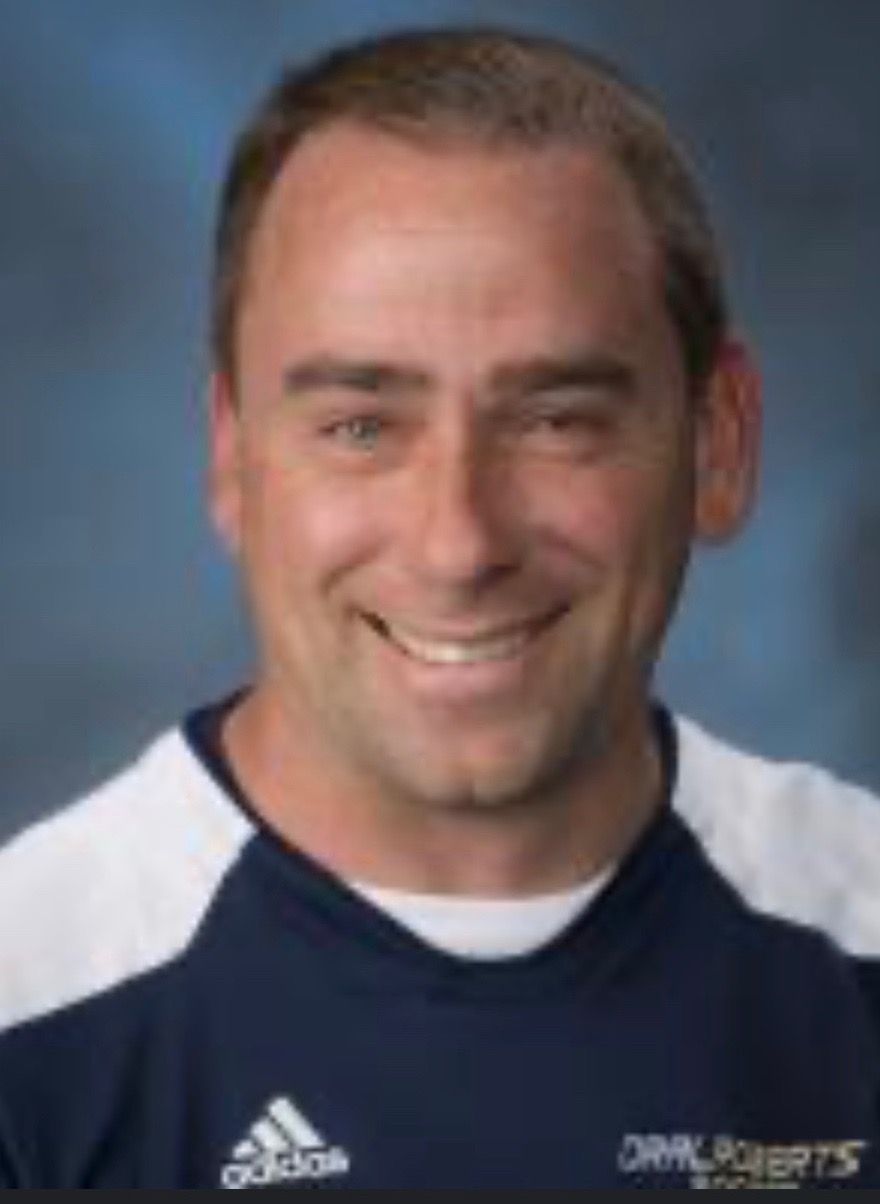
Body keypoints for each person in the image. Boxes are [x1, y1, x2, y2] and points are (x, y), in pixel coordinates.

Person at [0, 25, 877, 1190]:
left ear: (718, 443)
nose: (458, 542)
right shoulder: (29, 1000)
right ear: (231, 457)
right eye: (361, 425)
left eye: (557, 416)